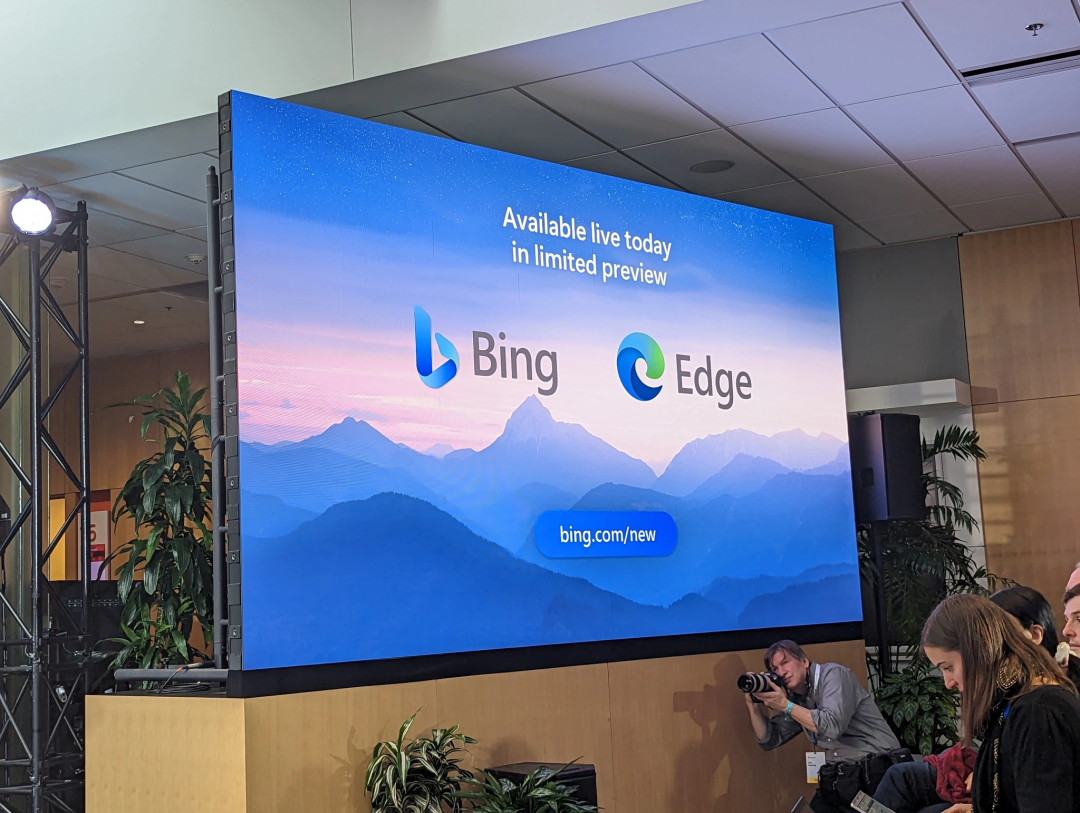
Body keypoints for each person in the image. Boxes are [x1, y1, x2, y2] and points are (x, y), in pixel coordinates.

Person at [921, 593, 1080, 813]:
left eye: (948, 667)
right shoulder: (1017, 700)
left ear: (980, 648)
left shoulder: (1039, 711)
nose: (948, 683)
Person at [744, 639, 901, 813]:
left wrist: (785, 706)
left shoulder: (834, 675)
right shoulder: (797, 699)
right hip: (843, 776)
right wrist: (753, 706)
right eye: (774, 669)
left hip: (877, 768)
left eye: (785, 662)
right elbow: (770, 738)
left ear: (804, 662)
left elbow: (832, 726)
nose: (781, 672)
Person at [992, 585, 1080, 691]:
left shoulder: (1050, 694)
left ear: (1035, 634)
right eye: (1067, 619)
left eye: (1079, 619)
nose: (1066, 631)